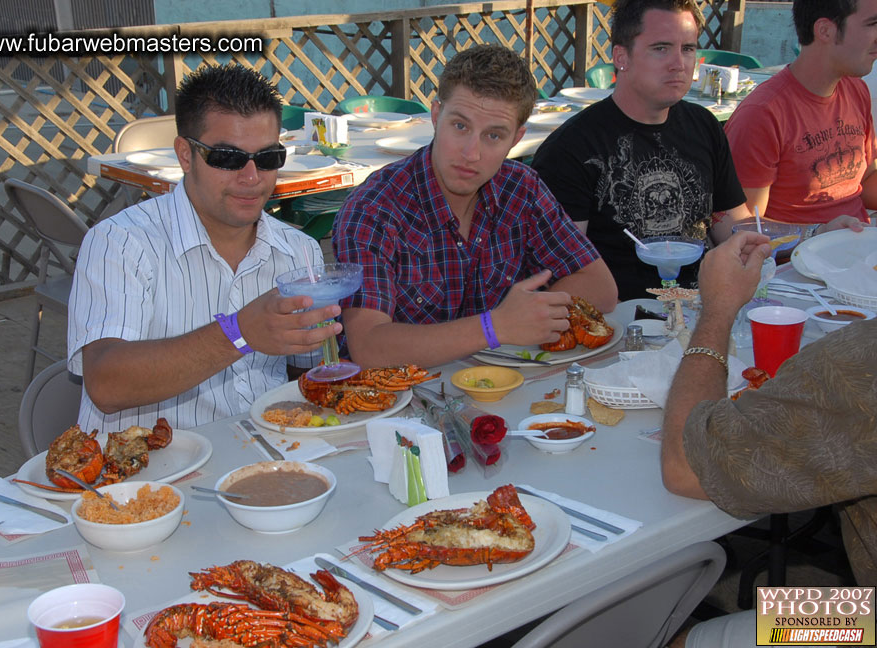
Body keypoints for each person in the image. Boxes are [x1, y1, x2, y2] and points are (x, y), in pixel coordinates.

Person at [68, 64, 341, 433]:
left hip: (267, 457)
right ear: (185, 155)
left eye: (267, 158)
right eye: (227, 158)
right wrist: (239, 333)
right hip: (147, 474)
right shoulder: (121, 242)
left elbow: (306, 373)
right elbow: (104, 382)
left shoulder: (299, 250)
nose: (251, 177)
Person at [333, 44, 618, 368]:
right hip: (398, 403)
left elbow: (601, 288)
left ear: (516, 138)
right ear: (436, 114)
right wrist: (495, 327)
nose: (471, 153)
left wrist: (529, 314)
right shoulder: (373, 209)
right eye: (460, 126)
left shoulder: (521, 188)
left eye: (494, 136)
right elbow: (368, 347)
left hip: (506, 388)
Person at [660, 230, 877, 646]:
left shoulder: (860, 362)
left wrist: (718, 309)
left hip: (866, 622)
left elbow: (686, 466)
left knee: (683, 641)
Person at [531, 0, 751, 301]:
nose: (679, 63)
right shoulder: (572, 149)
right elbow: (561, 273)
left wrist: (807, 236)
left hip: (707, 305)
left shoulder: (704, 125)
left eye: (688, 48)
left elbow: (732, 223)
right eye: (661, 48)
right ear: (621, 57)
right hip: (622, 320)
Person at [724, 0, 877, 232]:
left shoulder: (856, 90)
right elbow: (742, 227)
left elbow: (865, 184)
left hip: (859, 252)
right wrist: (815, 233)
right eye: (873, 24)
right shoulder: (762, 114)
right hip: (798, 263)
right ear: (825, 30)